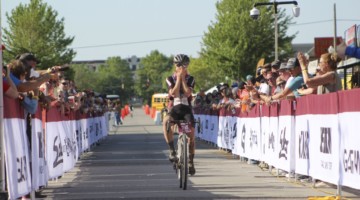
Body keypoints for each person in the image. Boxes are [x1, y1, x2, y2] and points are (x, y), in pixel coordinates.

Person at [162, 54, 196, 175]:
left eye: (184, 65)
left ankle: (191, 161)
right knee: (166, 122)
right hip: (174, 108)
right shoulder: (170, 78)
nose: (181, 67)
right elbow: (174, 93)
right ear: (175, 65)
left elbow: (187, 93)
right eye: (178, 65)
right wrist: (178, 79)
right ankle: (171, 150)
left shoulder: (191, 78)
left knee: (191, 135)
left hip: (186, 108)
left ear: (187, 65)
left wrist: (183, 79)